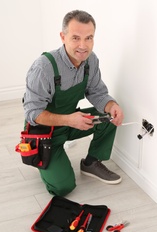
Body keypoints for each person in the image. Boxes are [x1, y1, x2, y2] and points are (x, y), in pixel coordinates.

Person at [23, 10, 124, 196]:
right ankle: (43, 161)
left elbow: (97, 92)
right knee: (63, 187)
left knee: (108, 117)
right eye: (76, 38)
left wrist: (111, 106)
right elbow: (33, 114)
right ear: (63, 37)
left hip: (71, 121)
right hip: (44, 132)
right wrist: (69, 120)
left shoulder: (91, 61)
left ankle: (91, 163)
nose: (83, 46)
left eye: (89, 38)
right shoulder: (44, 68)